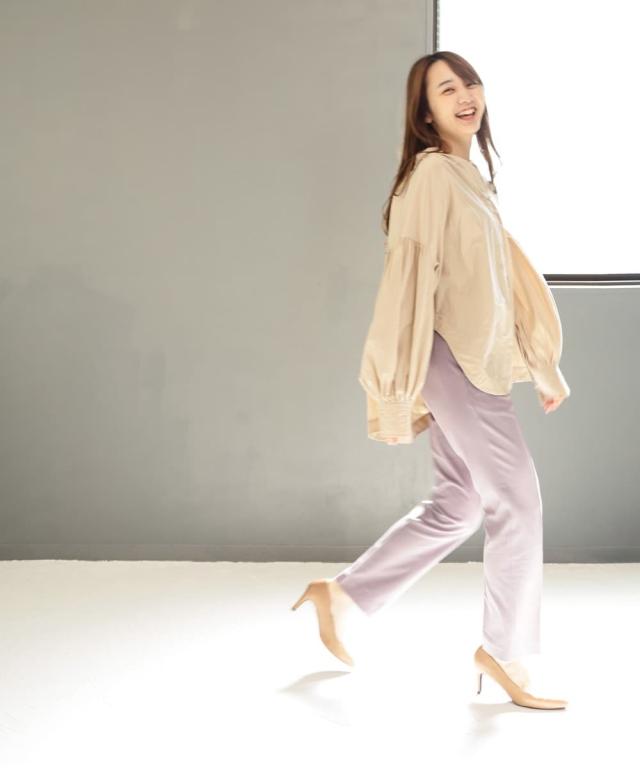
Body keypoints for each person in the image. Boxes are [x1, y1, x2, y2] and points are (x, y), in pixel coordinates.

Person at [292, 51, 570, 710]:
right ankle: (504, 652)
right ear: (424, 112)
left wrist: (540, 363)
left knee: (460, 505)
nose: (465, 95)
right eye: (447, 89)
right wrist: (393, 384)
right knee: (518, 501)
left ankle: (344, 593)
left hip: (473, 358)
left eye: (469, 82)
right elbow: (407, 280)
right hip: (453, 360)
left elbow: (503, 282)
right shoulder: (433, 176)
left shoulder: (468, 179)